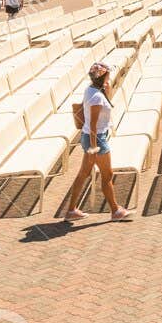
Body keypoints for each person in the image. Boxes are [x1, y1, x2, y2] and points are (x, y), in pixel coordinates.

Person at [64, 62, 133, 222]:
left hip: (90, 138)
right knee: (107, 174)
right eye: (108, 74)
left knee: (83, 174)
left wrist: (107, 89)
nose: (110, 76)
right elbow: (93, 124)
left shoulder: (92, 90)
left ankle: (71, 211)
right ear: (102, 77)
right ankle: (116, 211)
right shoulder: (96, 97)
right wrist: (94, 147)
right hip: (96, 140)